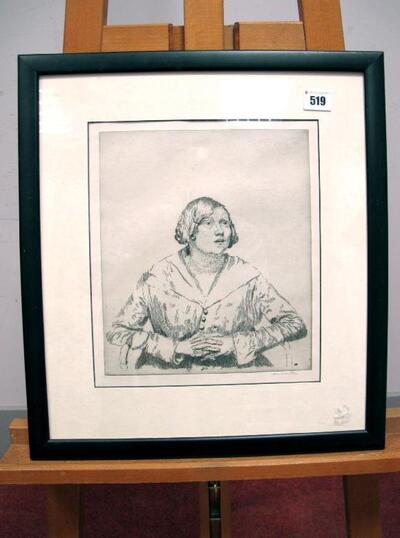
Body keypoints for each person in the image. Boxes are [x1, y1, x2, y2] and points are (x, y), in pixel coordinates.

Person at [106, 196, 307, 371]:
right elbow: (117, 331)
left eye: (225, 223)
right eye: (208, 223)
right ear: (190, 231)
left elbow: (294, 323)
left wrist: (235, 344)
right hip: (168, 376)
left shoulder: (247, 276)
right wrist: (176, 347)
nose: (220, 231)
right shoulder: (157, 277)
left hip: (237, 374)